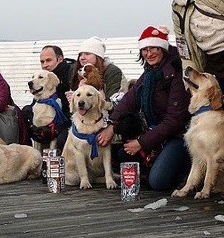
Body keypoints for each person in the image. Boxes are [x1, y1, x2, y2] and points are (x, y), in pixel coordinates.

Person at [96, 25, 191, 191]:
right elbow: (129, 100)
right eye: (145, 49)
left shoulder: (176, 72)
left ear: (163, 48)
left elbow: (174, 120)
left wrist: (141, 142)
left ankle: (186, 170)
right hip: (158, 133)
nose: (149, 53)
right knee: (122, 155)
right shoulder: (150, 73)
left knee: (158, 182)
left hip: (180, 136)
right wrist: (112, 125)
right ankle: (157, 162)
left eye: (154, 47)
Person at [22, 45, 74, 149]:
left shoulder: (71, 75)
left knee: (61, 139)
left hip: (69, 122)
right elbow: (36, 104)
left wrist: (58, 128)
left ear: (60, 59)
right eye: (42, 62)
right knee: (23, 113)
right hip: (48, 123)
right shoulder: (42, 79)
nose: (45, 65)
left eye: (48, 60)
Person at [69, 36, 127, 101]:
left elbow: (113, 102)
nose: (82, 58)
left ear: (98, 56)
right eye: (80, 54)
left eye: (87, 54)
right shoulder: (77, 71)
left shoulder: (112, 71)